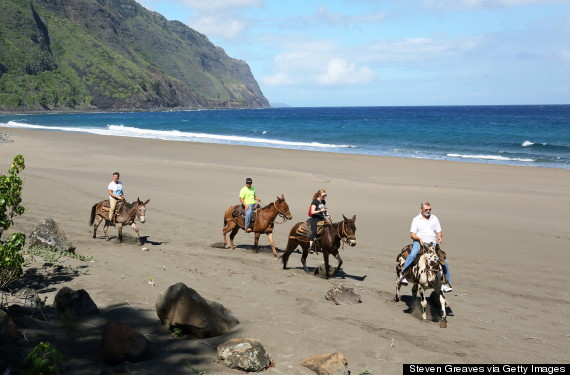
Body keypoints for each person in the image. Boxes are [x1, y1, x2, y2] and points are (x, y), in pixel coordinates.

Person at [399, 201, 453, 293]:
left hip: (433, 244)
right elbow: (412, 235)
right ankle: (403, 274)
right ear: (421, 209)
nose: (428, 211)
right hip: (419, 242)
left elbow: (438, 231)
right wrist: (419, 239)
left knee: (445, 261)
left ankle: (445, 283)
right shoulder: (416, 219)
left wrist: (439, 237)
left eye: (429, 209)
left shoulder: (434, 218)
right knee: (413, 255)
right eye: (426, 209)